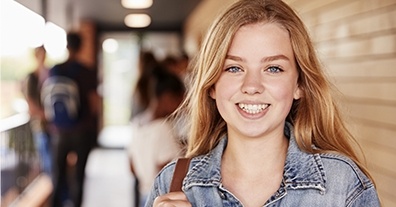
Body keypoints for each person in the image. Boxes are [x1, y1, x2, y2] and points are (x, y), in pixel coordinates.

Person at [144, 0, 381, 206]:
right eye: (234, 68)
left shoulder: (344, 185)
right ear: (213, 85)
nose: (252, 86)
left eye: (273, 68)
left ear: (300, 84)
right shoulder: (171, 185)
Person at [45, 32, 100, 207]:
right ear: (81, 46)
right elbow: (94, 103)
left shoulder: (55, 69)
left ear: (67, 45)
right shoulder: (87, 71)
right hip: (81, 130)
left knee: (58, 175)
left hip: (59, 131)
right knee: (79, 176)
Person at [127, 67, 186, 207]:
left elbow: (131, 167)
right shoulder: (162, 129)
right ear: (167, 97)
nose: (181, 107)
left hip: (144, 194)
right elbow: (166, 172)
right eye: (179, 100)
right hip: (161, 198)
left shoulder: (138, 123)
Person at [22, 45, 53, 177]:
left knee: (53, 160)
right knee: (47, 161)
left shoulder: (49, 73)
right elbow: (30, 103)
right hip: (40, 124)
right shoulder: (32, 77)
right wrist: (45, 115)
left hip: (52, 125)